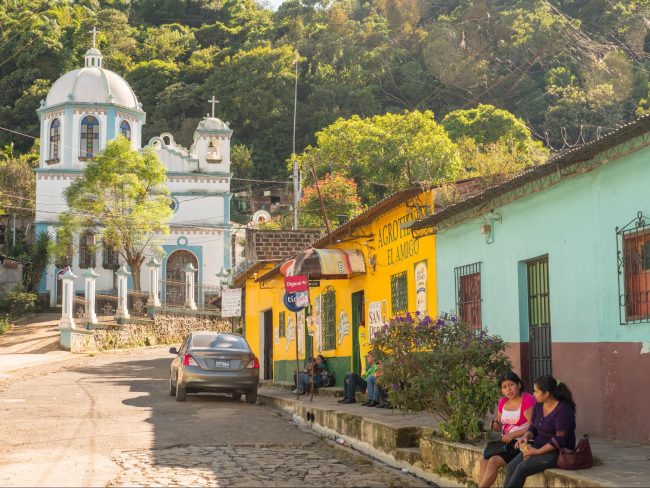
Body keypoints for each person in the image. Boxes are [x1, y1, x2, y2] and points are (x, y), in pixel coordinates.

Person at [504, 375, 577, 488]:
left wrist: (537, 452)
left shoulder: (563, 409)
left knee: (521, 469)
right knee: (510, 467)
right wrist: (526, 437)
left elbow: (560, 440)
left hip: (556, 452)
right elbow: (533, 427)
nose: (534, 394)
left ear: (546, 394)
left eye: (536, 391)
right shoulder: (538, 405)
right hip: (537, 446)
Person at [478, 372, 535, 488]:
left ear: (519, 385)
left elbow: (533, 426)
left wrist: (513, 434)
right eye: (504, 387)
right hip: (506, 443)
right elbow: (499, 424)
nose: (508, 389)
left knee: (493, 461)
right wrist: (495, 425)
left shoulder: (527, 400)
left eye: (511, 385)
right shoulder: (503, 402)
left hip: (522, 443)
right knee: (484, 459)